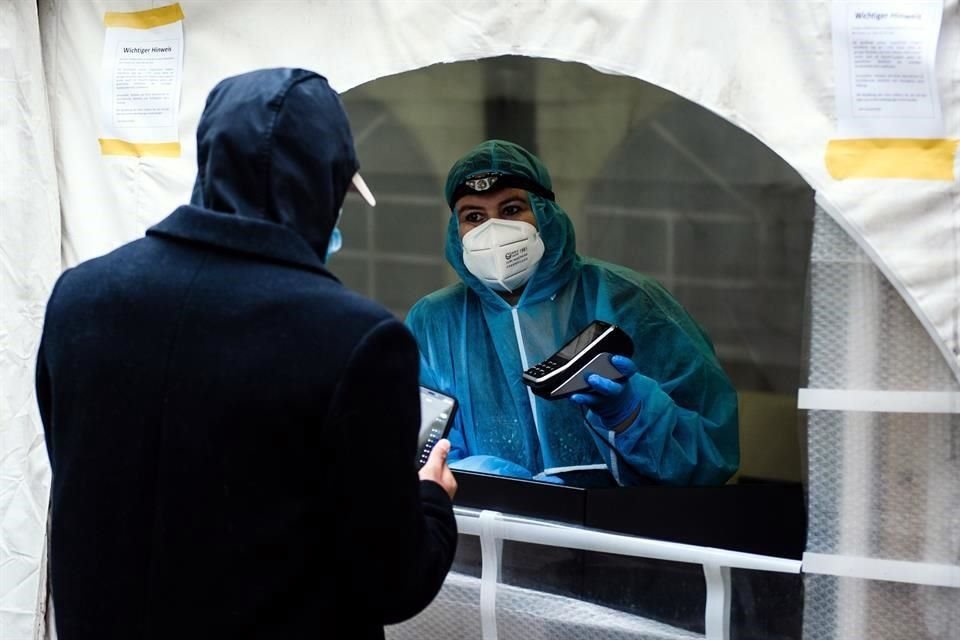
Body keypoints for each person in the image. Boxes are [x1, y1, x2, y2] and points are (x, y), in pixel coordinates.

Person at [35, 68, 457, 639]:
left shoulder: (80, 298)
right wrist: (431, 497)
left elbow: (92, 485)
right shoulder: (358, 341)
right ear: (324, 187)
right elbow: (392, 581)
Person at [406, 139, 739, 488]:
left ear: (545, 213)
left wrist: (631, 415)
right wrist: (490, 481)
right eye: (473, 217)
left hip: (622, 532)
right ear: (455, 231)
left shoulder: (629, 300)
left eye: (511, 210)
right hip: (489, 530)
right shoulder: (434, 322)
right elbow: (419, 446)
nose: (494, 231)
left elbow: (714, 451)